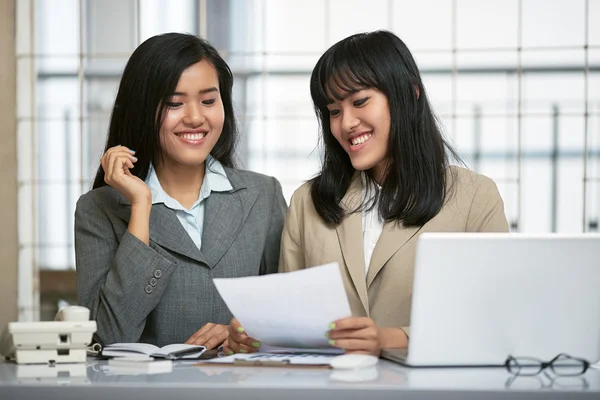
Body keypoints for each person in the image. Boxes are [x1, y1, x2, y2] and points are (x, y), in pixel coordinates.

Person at [226, 30, 509, 356]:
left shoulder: (475, 197)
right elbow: (290, 329)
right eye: (333, 111)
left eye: (360, 101)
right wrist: (254, 336)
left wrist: (390, 339)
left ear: (410, 94)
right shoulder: (308, 202)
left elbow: (492, 322)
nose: (346, 123)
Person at [75, 33, 287, 349]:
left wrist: (241, 334)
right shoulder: (99, 209)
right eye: (174, 103)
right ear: (142, 110)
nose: (195, 117)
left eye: (208, 101)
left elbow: (288, 318)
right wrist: (140, 206)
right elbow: (107, 337)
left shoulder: (263, 195)